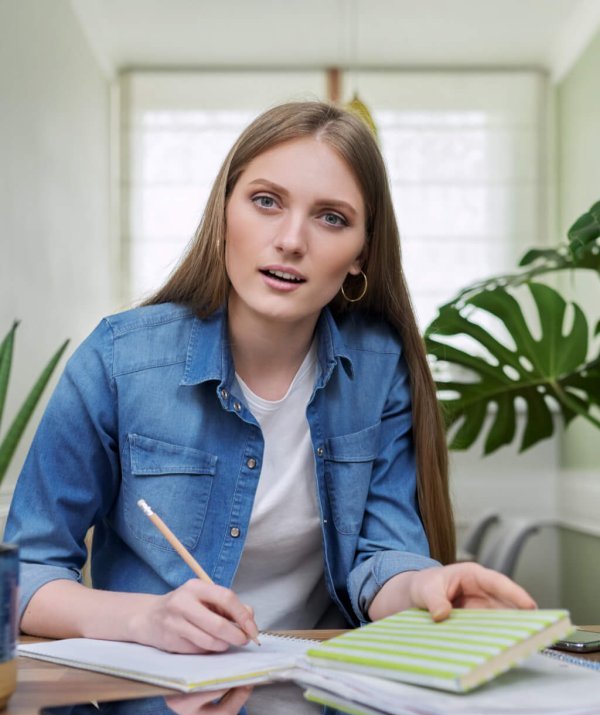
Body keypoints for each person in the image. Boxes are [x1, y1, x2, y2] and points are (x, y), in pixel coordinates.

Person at [5, 101, 535, 655]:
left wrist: (425, 587)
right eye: (266, 201)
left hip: (331, 705)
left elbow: (381, 562)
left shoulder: (380, 368)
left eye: (332, 217)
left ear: (362, 255)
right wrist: (145, 618)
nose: (291, 240)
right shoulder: (118, 358)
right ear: (224, 212)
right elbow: (24, 577)